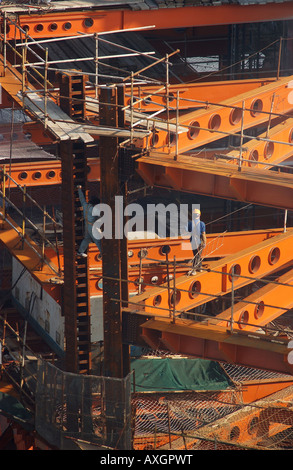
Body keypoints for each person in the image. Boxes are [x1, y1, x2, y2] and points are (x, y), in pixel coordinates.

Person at [76, 185, 102, 258]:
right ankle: (103, 253)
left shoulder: (85, 205)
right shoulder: (94, 209)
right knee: (98, 240)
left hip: (86, 225)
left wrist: (79, 189)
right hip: (92, 227)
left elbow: (82, 198)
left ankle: (80, 252)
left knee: (87, 239)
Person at [187, 208, 206, 275]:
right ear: (199, 215)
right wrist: (204, 242)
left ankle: (199, 268)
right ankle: (195, 270)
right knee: (197, 256)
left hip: (193, 241)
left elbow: (188, 231)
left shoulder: (189, 223)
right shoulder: (202, 224)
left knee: (196, 255)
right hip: (200, 241)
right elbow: (203, 234)